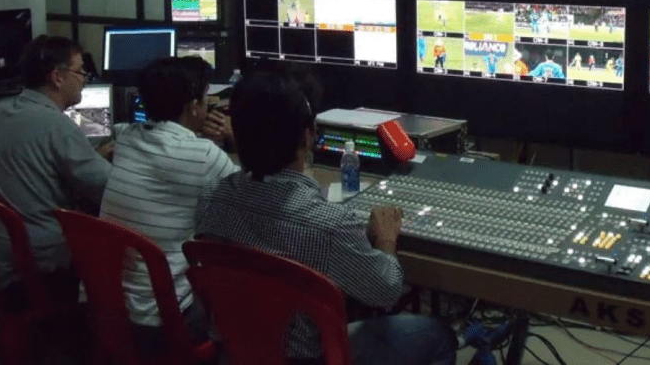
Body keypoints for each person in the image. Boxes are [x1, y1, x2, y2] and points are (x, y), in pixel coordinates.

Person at [195, 71, 457, 365]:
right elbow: (385, 291)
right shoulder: (330, 225)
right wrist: (385, 238)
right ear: (307, 136)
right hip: (310, 359)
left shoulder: (214, 199)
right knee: (438, 335)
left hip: (235, 352)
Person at [100, 57, 238, 355]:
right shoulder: (204, 156)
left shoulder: (124, 138)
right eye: (204, 99)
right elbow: (253, 194)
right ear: (193, 106)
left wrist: (195, 135)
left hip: (110, 310)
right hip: (168, 320)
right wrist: (232, 137)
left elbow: (159, 139)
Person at [0, 35, 113, 299]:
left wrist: (92, 155)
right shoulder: (56, 125)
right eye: (81, 71)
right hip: (33, 266)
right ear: (57, 77)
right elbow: (108, 189)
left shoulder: (1, 111)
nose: (84, 78)